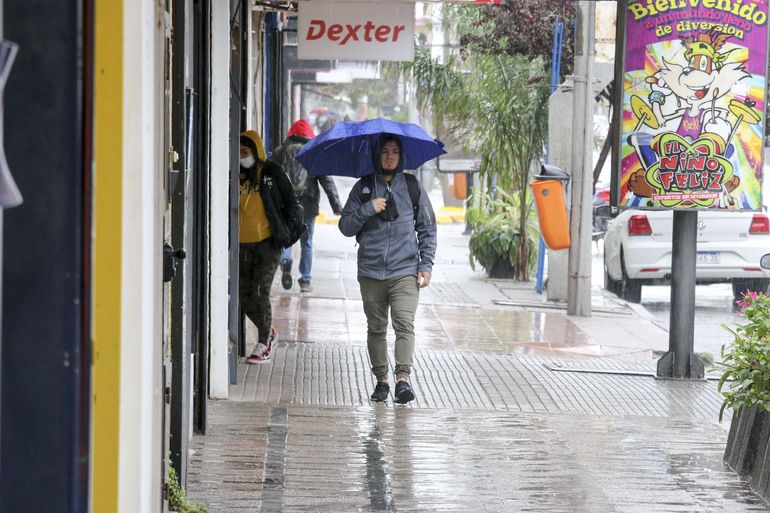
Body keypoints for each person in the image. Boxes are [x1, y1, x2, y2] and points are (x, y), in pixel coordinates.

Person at [339, 134, 437, 404]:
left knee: (404, 324)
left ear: (401, 156)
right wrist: (367, 209)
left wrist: (426, 265)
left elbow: (427, 228)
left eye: (395, 151)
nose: (390, 156)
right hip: (370, 272)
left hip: (405, 270)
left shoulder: (413, 186)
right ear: (376, 155)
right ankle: (381, 380)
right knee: (376, 327)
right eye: (385, 151)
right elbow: (345, 226)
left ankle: (402, 379)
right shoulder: (363, 188)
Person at [238, 130, 304, 364]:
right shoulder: (235, 175)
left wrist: (286, 233)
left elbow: (291, 203)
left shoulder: (272, 172)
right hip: (242, 245)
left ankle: (263, 342)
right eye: (238, 153)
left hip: (268, 243)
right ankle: (269, 330)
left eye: (245, 152)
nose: (242, 157)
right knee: (243, 296)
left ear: (256, 151)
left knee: (260, 291)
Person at [273, 119, 343, 292]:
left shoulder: (281, 151)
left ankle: (286, 259)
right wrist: (336, 204)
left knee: (287, 236)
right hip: (308, 204)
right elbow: (326, 179)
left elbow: (271, 174)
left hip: (287, 203)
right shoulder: (314, 152)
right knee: (307, 242)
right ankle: (305, 280)